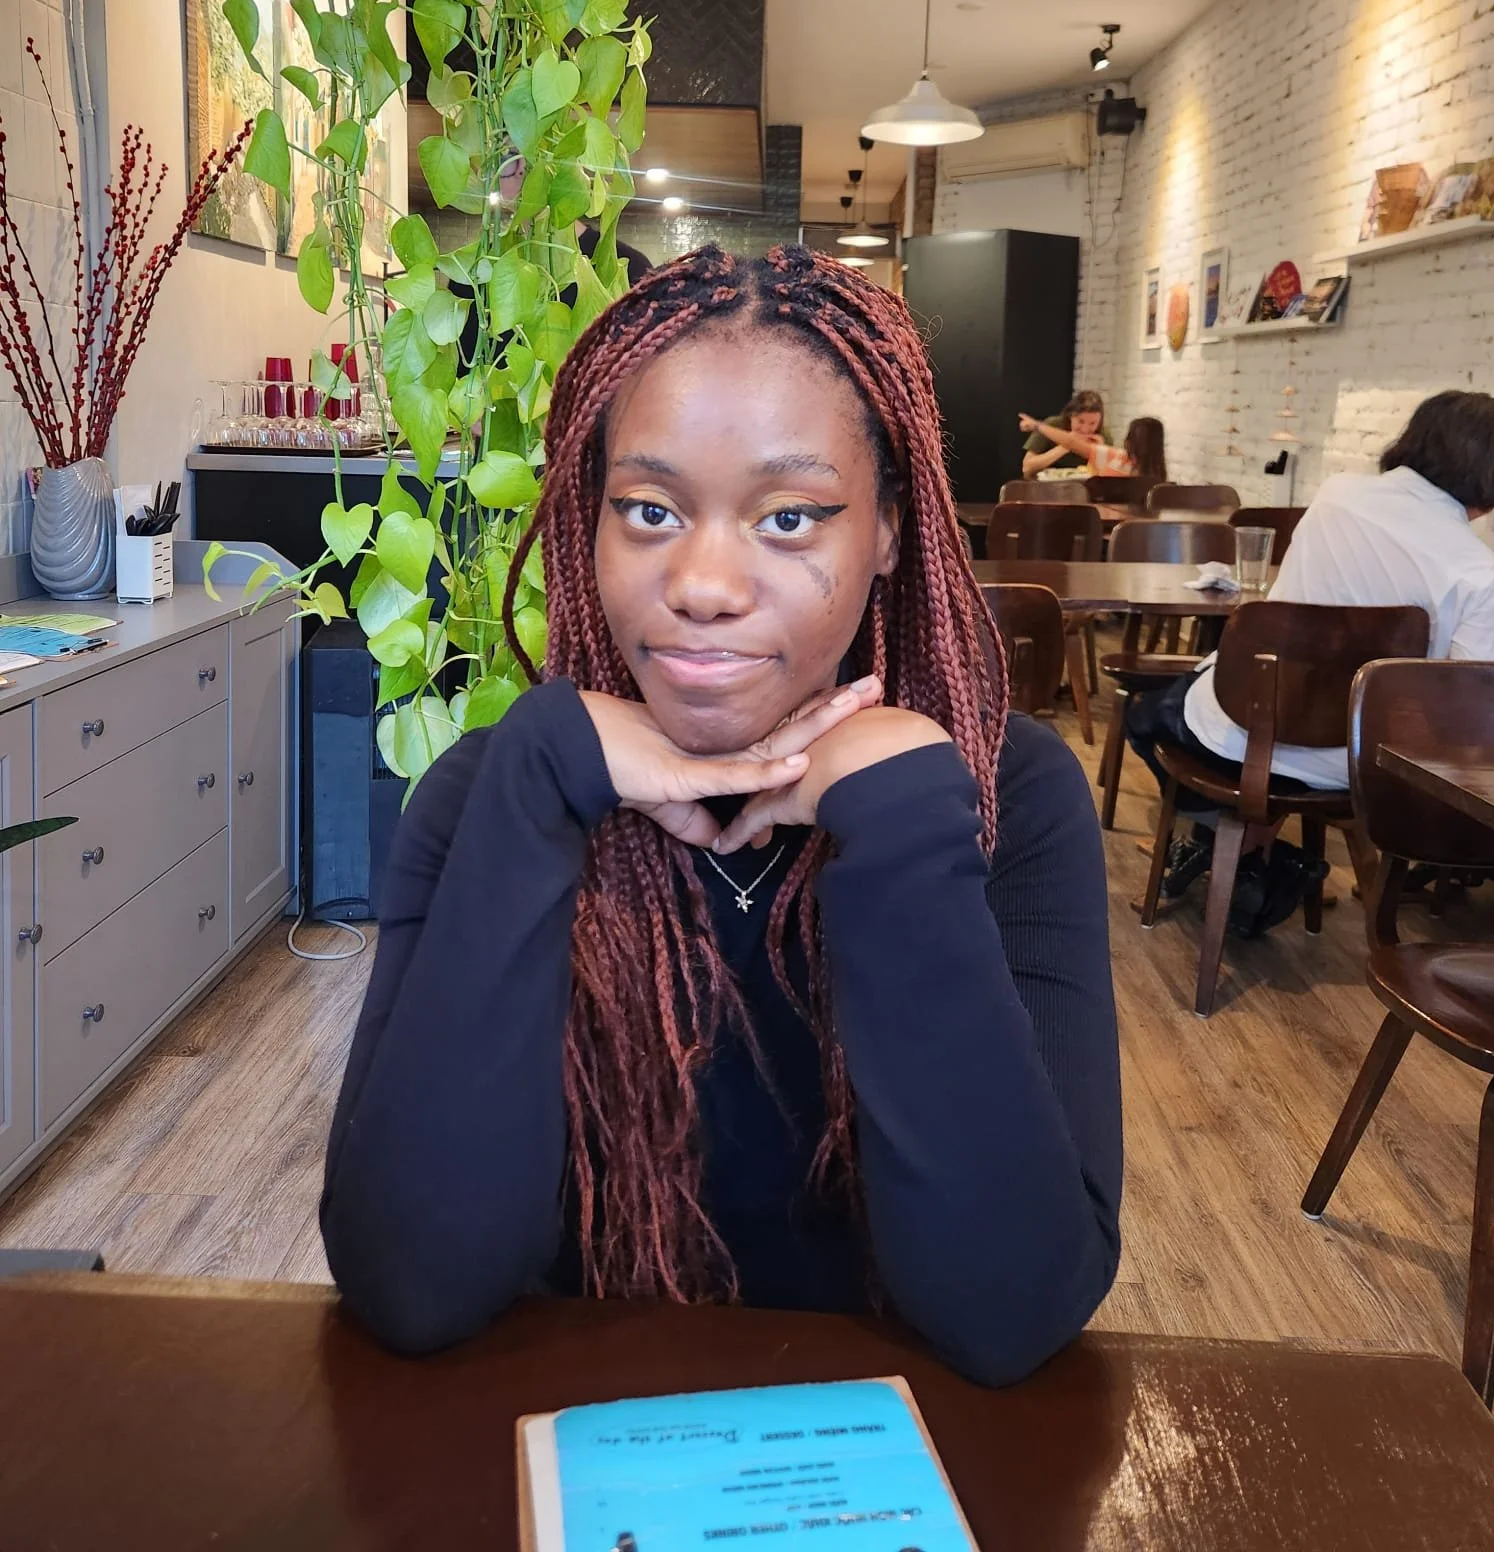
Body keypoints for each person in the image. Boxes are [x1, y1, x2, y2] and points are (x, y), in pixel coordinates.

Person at [321, 244, 1121, 1387]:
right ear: (587, 520)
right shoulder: (496, 793)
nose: (702, 581)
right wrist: (540, 778)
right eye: (648, 507)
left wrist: (898, 824)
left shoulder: (1007, 796)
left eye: (790, 518)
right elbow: (412, 1283)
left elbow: (1017, 1305)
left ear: (888, 529)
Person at [1129, 389, 1494, 893]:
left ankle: (1230, 844)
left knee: (1145, 716)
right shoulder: (1478, 572)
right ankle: (1251, 852)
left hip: (1245, 730)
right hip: (1357, 767)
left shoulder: (1337, 495)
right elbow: (1463, 715)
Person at [1019, 412, 1166, 488]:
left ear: (1129, 441)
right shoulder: (1160, 478)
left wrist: (1038, 426)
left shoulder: (1115, 458)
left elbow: (1070, 442)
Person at [1020, 389, 1110, 477]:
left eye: (1092, 423)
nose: (1085, 429)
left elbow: (1109, 477)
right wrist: (1067, 444)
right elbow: (1027, 467)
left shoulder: (1103, 435)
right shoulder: (1052, 425)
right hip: (1046, 486)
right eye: (1080, 421)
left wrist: (1099, 453)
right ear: (1071, 416)